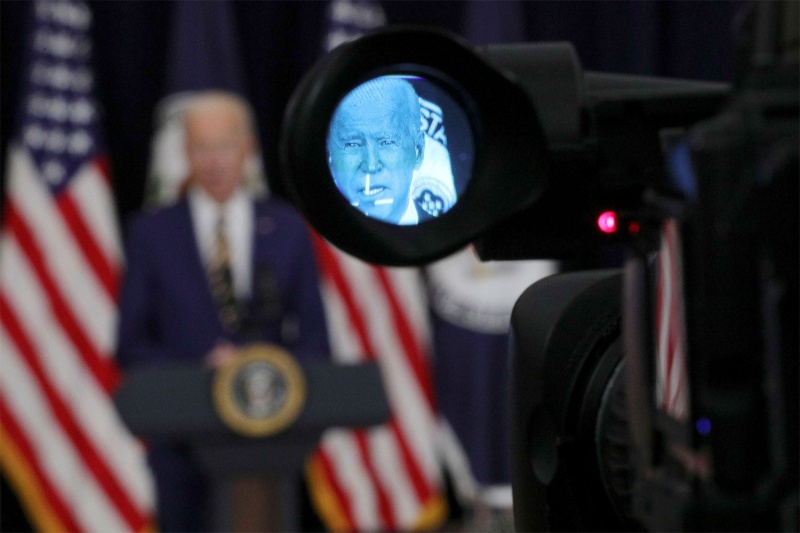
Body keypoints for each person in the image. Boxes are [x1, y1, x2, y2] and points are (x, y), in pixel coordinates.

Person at [116, 91, 330, 531]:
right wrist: (202, 368)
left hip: (271, 434)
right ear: (185, 153)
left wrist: (262, 368)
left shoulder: (286, 227)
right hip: (181, 441)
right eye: (202, 148)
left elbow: (316, 340)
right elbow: (131, 344)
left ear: (247, 148)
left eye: (224, 147)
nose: (214, 161)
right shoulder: (151, 233)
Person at [327, 77, 432, 224]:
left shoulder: (447, 233)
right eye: (352, 144)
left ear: (418, 151)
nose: (371, 166)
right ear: (330, 156)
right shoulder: (304, 234)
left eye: (387, 142)